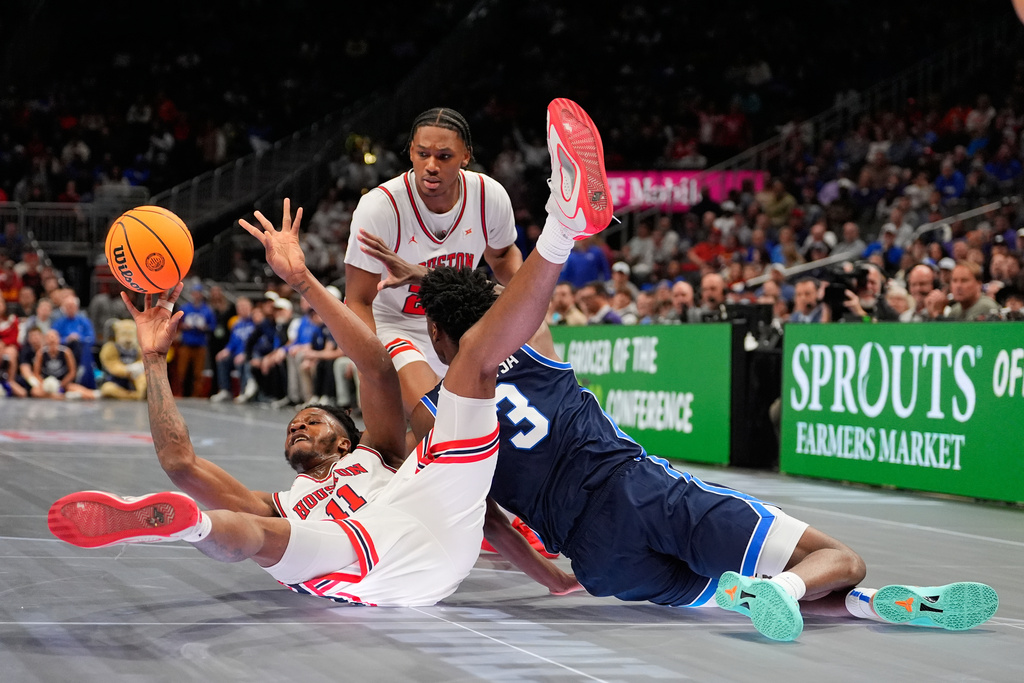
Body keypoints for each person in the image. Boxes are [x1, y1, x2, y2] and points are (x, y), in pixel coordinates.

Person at [47, 98, 613, 608]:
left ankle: (563, 223)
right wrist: (153, 361)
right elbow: (180, 465)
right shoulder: (287, 499)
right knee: (260, 531)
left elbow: (462, 487)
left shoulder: (381, 453)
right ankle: (188, 527)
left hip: (410, 535)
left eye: (310, 418)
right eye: (421, 154)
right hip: (363, 545)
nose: (296, 426)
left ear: (348, 440)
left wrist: (300, 281)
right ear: (408, 155)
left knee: (473, 430)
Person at [343, 107, 523, 415]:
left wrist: (521, 300)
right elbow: (358, 300)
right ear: (411, 151)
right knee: (432, 416)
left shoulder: (488, 196)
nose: (431, 166)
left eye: (444, 156)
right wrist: (375, 365)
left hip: (459, 326)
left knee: (506, 415)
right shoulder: (379, 208)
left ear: (466, 156)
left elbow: (503, 255)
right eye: (422, 153)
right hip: (396, 325)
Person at [175, 283, 216, 397]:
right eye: (194, 293)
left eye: (198, 293)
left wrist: (204, 328)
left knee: (198, 373)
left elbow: (212, 327)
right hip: (186, 343)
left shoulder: (207, 310)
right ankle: (180, 393)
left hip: (200, 343)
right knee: (181, 371)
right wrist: (183, 327)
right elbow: (176, 325)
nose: (196, 295)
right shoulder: (184, 308)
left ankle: (196, 394)